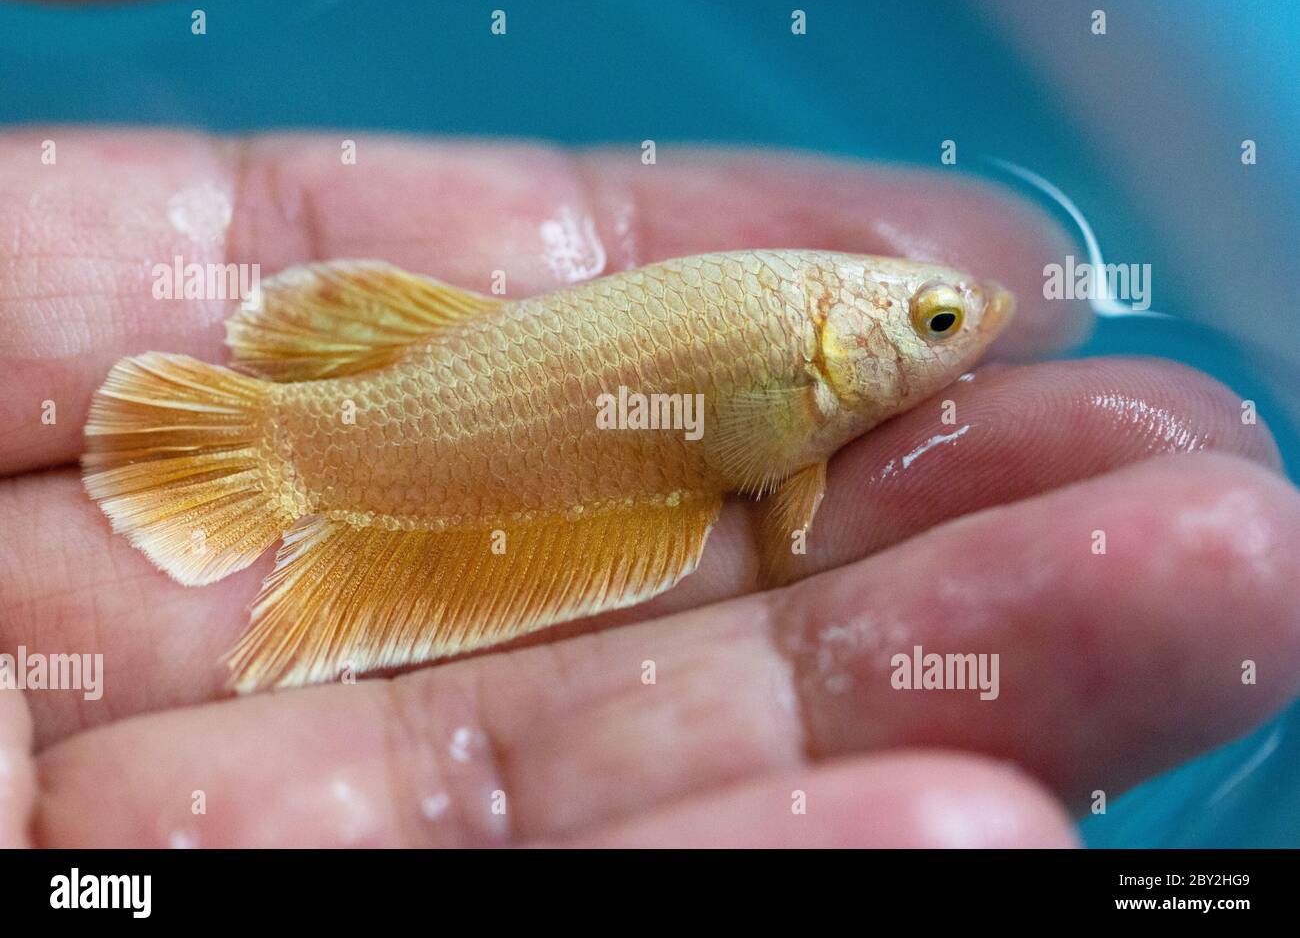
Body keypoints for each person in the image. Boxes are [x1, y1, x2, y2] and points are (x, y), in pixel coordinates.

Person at [0, 135, 1296, 847]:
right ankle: (298, 457)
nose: (975, 328)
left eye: (945, 317)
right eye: (945, 320)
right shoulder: (797, 347)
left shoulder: (806, 346)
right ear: (845, 348)